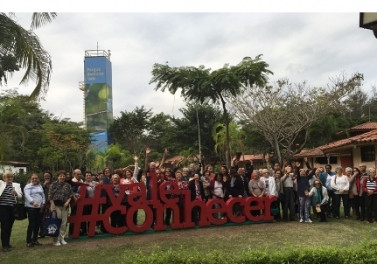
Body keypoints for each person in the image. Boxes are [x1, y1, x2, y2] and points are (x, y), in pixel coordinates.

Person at [49, 170, 77, 246]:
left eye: (63, 176)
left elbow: (70, 195)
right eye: (60, 176)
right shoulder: (53, 185)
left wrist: (67, 202)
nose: (62, 177)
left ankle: (62, 238)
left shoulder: (67, 185)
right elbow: (50, 196)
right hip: (56, 206)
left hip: (64, 206)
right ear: (58, 177)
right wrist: (52, 205)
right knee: (57, 222)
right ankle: (56, 240)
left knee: (64, 223)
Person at [0, 171, 23, 252]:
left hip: (13, 208)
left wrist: (16, 193)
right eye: (7, 177)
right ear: (4, 178)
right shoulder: (1, 184)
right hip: (3, 208)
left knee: (9, 226)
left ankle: (7, 243)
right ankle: (4, 245)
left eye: (11, 177)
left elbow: (20, 197)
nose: (9, 179)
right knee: (4, 226)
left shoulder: (16, 185)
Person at [24, 173, 45, 247]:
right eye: (33, 178)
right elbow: (27, 195)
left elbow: (43, 195)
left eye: (36, 178)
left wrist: (43, 203)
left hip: (39, 207)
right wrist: (33, 202)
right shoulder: (28, 186)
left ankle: (35, 240)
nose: (35, 179)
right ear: (30, 179)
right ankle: (28, 241)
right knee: (32, 224)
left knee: (37, 224)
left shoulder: (39, 186)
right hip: (31, 208)